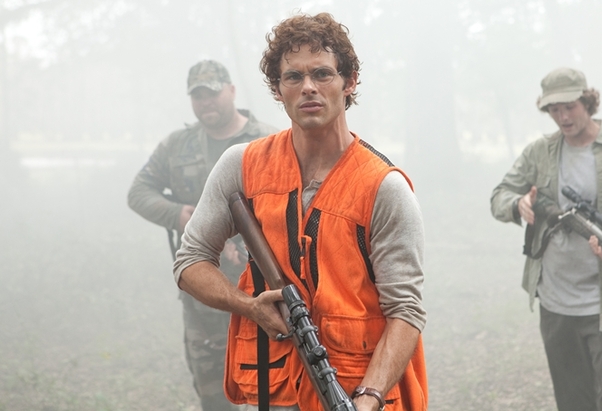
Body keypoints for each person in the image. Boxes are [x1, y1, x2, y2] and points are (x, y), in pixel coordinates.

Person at [172, 13, 428, 411]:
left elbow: (405, 310)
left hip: (357, 393)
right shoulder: (241, 166)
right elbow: (189, 263)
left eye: (322, 73)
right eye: (293, 77)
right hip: (274, 392)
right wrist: (249, 306)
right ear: (278, 89)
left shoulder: (384, 187)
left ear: (349, 82)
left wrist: (369, 396)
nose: (308, 87)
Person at [490, 67, 602, 411]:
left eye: (569, 107)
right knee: (573, 403)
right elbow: (500, 195)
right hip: (556, 305)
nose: (563, 117)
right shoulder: (538, 152)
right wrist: (518, 203)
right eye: (554, 110)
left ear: (588, 101)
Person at [128, 59, 277, 411]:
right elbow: (139, 192)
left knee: (273, 389)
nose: (205, 102)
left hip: (264, 289)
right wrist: (177, 214)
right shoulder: (177, 146)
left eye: (212, 93)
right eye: (198, 96)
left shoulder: (268, 141)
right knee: (213, 394)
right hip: (204, 294)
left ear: (231, 91)